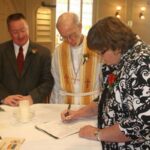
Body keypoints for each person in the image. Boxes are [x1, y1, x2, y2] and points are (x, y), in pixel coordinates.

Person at [61, 16, 150, 149]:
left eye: (101, 53)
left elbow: (142, 124)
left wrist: (98, 134)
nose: (101, 59)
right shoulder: (119, 58)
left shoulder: (143, 63)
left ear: (116, 46)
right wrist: (78, 113)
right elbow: (106, 98)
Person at [0, 13, 54, 106]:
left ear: (28, 28)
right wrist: (3, 97)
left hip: (33, 106)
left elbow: (48, 81)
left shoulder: (43, 53)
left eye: (23, 30)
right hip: (7, 106)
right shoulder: (1, 51)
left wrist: (32, 97)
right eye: (15, 32)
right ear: (9, 31)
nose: (20, 35)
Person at [50, 12, 102, 105]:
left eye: (72, 35)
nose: (70, 40)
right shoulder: (58, 52)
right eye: (64, 37)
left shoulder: (95, 48)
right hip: (65, 105)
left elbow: (103, 81)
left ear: (80, 27)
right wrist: (53, 106)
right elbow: (56, 84)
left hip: (91, 105)